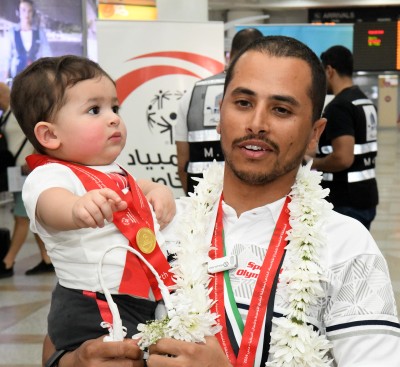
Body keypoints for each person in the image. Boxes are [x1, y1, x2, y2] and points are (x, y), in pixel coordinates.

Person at [42, 36, 400, 367]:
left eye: (281, 110)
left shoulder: (346, 247)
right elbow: (59, 337)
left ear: (314, 135)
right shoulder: (157, 223)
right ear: (220, 115)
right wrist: (74, 360)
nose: (256, 123)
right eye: (243, 103)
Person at [10, 55, 176, 354]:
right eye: (94, 110)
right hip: (92, 303)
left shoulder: (112, 171)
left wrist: (159, 190)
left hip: (140, 297)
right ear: (49, 134)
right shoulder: (50, 175)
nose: (113, 117)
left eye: (115, 107)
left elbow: (139, 187)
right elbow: (50, 204)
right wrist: (75, 208)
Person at [175, 27, 263, 195]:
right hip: (254, 195)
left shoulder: (193, 93)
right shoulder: (269, 94)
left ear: (230, 54)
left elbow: (182, 162)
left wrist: (195, 203)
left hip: (202, 195)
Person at [309, 45, 379, 230]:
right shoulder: (363, 100)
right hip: (366, 194)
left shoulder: (340, 106)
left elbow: (343, 157)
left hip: (346, 200)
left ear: (329, 70)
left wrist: (311, 162)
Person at [0, 81, 53, 278]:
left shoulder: (20, 111)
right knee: (28, 216)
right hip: (16, 171)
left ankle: (7, 262)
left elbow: (37, 135)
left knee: (21, 217)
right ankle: (46, 260)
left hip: (27, 170)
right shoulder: (7, 115)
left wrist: (33, 157)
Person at [5, 0, 52, 81]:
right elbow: (7, 57)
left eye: (29, 11)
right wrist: (5, 80)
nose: (26, 14)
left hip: (36, 77)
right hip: (17, 77)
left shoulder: (39, 32)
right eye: (23, 10)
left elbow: (47, 54)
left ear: (32, 13)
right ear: (18, 12)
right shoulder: (12, 32)